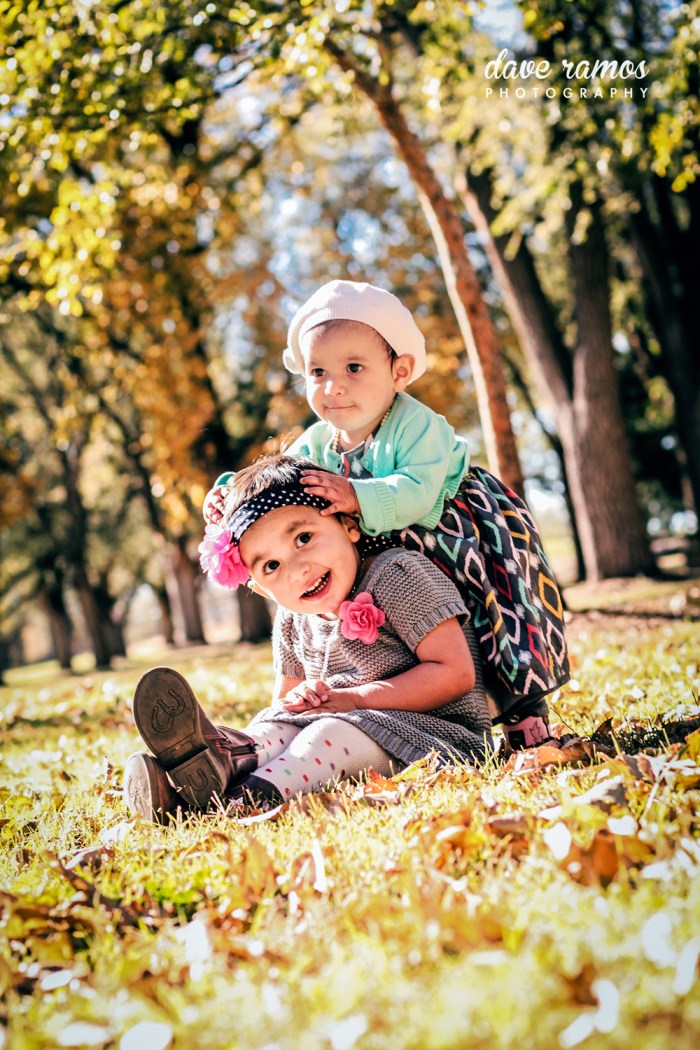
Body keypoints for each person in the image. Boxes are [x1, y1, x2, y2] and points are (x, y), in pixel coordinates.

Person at [204, 280, 570, 750]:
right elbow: (278, 479)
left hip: (453, 540)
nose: (334, 387)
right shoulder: (319, 440)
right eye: (318, 372)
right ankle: (384, 698)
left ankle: (522, 710)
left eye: (354, 367)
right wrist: (226, 497)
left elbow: (417, 491)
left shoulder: (416, 424)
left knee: (490, 619)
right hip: (389, 551)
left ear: (399, 371)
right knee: (408, 626)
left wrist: (355, 494)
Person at [124, 455, 492, 823]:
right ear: (259, 586)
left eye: (303, 538)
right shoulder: (292, 619)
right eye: (271, 566)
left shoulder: (398, 576)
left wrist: (351, 700)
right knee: (275, 727)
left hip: (436, 736)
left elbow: (456, 674)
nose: (297, 570)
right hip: (345, 722)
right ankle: (222, 758)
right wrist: (301, 700)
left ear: (348, 524)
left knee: (327, 733)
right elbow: (287, 706)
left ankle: (233, 801)